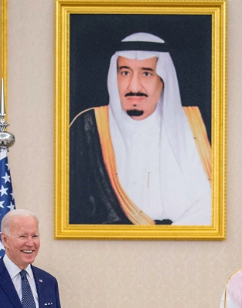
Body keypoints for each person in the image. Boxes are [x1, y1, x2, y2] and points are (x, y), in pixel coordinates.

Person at [69, 32, 212, 226]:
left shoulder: (194, 126)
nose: (134, 86)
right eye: (125, 73)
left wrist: (169, 237)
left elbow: (210, 204)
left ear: (163, 79)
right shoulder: (87, 128)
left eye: (146, 73)